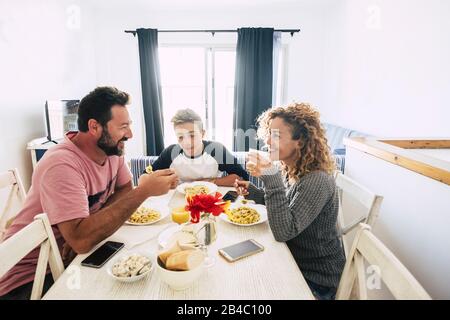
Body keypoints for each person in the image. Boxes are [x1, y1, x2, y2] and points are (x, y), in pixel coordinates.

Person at [0, 86, 178, 299]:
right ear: (94, 126)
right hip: (30, 276)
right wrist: (144, 191)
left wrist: (86, 227)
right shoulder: (61, 164)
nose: (130, 134)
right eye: (123, 127)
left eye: (129, 125)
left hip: (71, 257)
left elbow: (123, 189)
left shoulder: (112, 150)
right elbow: (82, 241)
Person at [234, 102, 345, 300]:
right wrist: (254, 193)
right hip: (291, 260)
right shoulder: (291, 168)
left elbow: (284, 231)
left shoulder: (316, 180)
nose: (267, 140)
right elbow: (284, 208)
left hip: (316, 280)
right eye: (268, 133)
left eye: (276, 135)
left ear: (300, 141)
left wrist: (271, 177)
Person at [149, 108, 248, 186]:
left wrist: (209, 181)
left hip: (210, 199)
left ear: (202, 134)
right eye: (180, 137)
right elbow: (146, 177)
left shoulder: (216, 150)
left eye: (192, 135)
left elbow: (242, 177)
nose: (187, 142)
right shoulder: (170, 153)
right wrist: (166, 182)